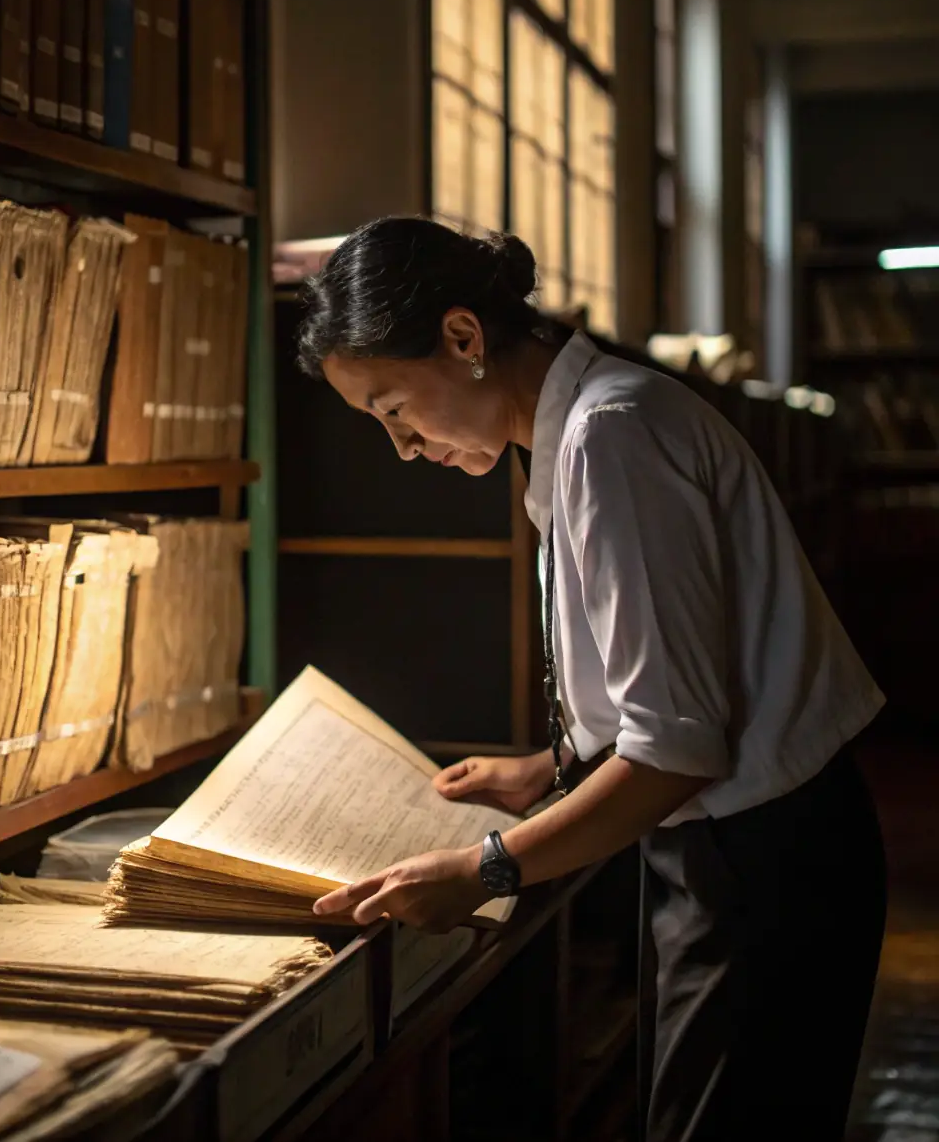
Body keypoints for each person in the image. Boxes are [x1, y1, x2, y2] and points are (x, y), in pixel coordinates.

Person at [302, 216, 887, 1141]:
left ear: (463, 338)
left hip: (764, 859)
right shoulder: (586, 428)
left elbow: (677, 749)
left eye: (393, 408)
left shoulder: (611, 437)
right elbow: (678, 670)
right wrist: (550, 766)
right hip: (742, 843)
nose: (403, 448)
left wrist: (486, 868)